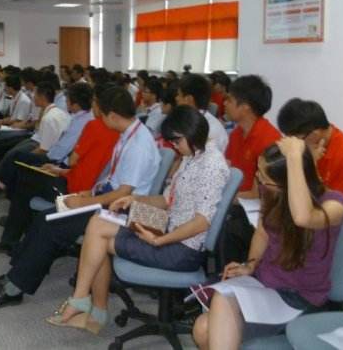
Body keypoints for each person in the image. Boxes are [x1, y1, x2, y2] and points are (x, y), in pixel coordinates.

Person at [0, 86, 160, 309]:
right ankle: (13, 276)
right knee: (43, 218)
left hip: (121, 209)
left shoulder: (138, 145)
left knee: (50, 225)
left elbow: (124, 193)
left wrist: (84, 202)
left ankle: (14, 288)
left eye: (100, 113)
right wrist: (91, 192)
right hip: (107, 199)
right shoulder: (129, 134)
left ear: (112, 115)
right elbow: (115, 178)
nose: (98, 117)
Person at [47, 106, 228, 334]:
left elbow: (202, 223)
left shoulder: (212, 166)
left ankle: (87, 306)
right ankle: (85, 302)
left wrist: (159, 241)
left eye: (177, 141)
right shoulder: (193, 155)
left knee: (97, 238)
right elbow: (166, 200)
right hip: (167, 223)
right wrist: (135, 200)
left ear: (192, 133)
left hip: (181, 248)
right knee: (98, 221)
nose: (174, 146)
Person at [193, 138, 343, 349]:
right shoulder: (273, 193)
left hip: (299, 299)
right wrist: (251, 264)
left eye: (264, 178)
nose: (259, 179)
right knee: (202, 329)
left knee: (216, 310)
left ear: (288, 182)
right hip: (265, 286)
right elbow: (262, 233)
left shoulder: (334, 203)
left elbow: (303, 217)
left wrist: (294, 157)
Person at [0, 83, 118, 253]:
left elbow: (73, 161)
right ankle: (17, 225)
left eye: (94, 101)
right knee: (26, 176)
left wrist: (61, 168)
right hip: (85, 185)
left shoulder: (94, 126)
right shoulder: (119, 131)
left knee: (25, 182)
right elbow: (87, 166)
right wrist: (60, 170)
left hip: (75, 190)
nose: (92, 104)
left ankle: (10, 238)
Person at [0, 81, 70, 213]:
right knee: (9, 153)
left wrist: (24, 157)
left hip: (40, 147)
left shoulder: (50, 118)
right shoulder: (54, 112)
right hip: (36, 140)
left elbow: (44, 149)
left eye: (35, 95)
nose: (33, 97)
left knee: (13, 157)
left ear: (42, 97)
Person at [221, 75, 281, 263]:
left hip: (258, 208)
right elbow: (226, 170)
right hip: (237, 200)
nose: (224, 103)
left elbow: (259, 193)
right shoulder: (236, 134)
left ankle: (230, 274)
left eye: (230, 100)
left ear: (245, 107)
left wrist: (222, 198)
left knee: (228, 225)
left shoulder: (269, 140)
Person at [277, 98, 343, 203]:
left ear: (314, 134)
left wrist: (311, 164)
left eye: (296, 140)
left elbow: (337, 206)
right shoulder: (311, 144)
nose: (293, 144)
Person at [176, 73, 228, 153]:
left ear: (189, 99)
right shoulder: (193, 120)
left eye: (179, 95)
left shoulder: (208, 129)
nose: (176, 98)